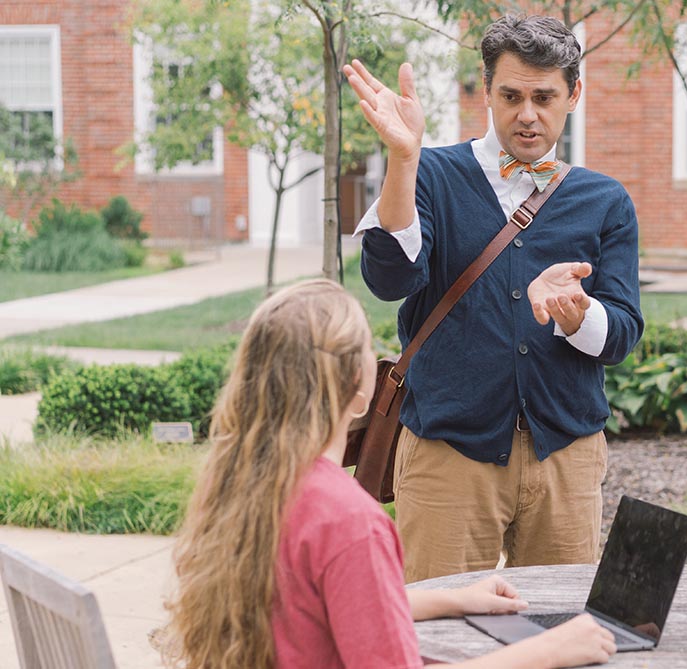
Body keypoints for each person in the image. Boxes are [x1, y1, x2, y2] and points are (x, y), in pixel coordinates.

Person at [163, 279, 615, 669]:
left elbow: (328, 606)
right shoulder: (349, 521)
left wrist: (454, 599)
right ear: (358, 384)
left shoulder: (248, 482)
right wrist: (548, 650)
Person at [342, 14, 643, 583]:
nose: (527, 114)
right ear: (486, 92)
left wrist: (579, 317)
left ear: (573, 95)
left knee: (558, 622)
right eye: (510, 96)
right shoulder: (430, 174)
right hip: (448, 455)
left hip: (566, 458)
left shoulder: (605, 201)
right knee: (436, 620)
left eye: (543, 97)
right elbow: (390, 280)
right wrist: (403, 160)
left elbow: (623, 332)